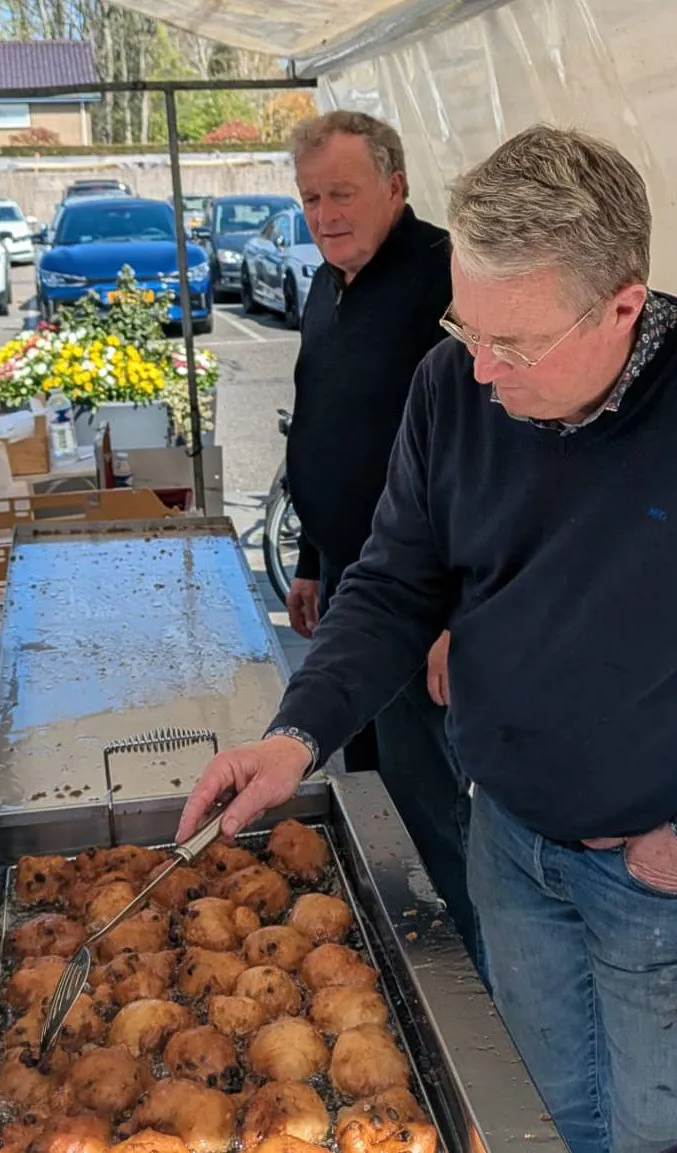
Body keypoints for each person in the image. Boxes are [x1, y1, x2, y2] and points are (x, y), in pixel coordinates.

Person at [181, 124, 677, 1153]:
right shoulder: (449, 388)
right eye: (463, 326)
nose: (480, 371)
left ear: (622, 304)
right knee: (536, 1120)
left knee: (661, 1137)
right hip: (508, 845)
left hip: (661, 875)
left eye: (511, 343)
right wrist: (295, 735)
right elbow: (392, 584)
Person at [280, 111, 479, 957]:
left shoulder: (447, 281)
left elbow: (487, 459)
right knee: (358, 779)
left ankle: (468, 969)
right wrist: (310, 557)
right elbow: (321, 424)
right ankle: (386, 939)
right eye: (310, 196)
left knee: (421, 792)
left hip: (416, 601)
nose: (324, 213)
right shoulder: (328, 284)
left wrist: (458, 614)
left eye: (342, 193)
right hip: (347, 586)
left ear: (395, 187)